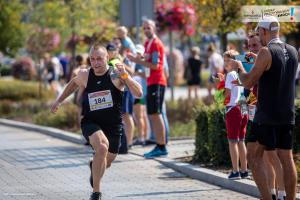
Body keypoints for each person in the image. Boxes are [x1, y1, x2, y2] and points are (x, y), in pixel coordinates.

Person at [51, 44, 142, 200]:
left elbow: (139, 93)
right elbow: (73, 84)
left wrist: (126, 76)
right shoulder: (85, 75)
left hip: (113, 126)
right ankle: (96, 192)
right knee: (101, 147)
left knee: (107, 162)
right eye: (92, 59)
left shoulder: (116, 75)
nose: (96, 62)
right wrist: (59, 100)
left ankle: (94, 167)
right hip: (91, 122)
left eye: (99, 59)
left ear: (107, 58)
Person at [231, 16, 298, 200]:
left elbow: (248, 82)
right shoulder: (292, 51)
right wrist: (258, 61)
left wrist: (239, 68)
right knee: (286, 157)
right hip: (287, 113)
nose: (259, 36)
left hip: (266, 115)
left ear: (264, 31)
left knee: (253, 156)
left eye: (259, 32)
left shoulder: (266, 51)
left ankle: (267, 198)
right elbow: (276, 70)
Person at [246, 31, 286, 200]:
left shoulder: (266, 58)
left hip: (267, 113)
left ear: (262, 44)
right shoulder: (252, 60)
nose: (252, 49)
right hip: (255, 110)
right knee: (261, 155)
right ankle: (271, 191)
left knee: (271, 154)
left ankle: (281, 192)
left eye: (255, 45)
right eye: (249, 46)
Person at [128, 19, 168, 158]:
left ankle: (162, 147)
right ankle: (159, 145)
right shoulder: (147, 43)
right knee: (152, 114)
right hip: (150, 82)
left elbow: (156, 66)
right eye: (144, 28)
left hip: (158, 82)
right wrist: (137, 60)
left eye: (148, 27)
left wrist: (137, 61)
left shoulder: (156, 43)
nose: (146, 30)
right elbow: (146, 62)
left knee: (156, 114)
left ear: (154, 28)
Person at [222, 50, 249, 180]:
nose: (225, 63)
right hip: (243, 105)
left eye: (227, 60)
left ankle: (235, 171)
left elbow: (227, 94)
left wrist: (218, 89)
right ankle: (244, 170)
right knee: (241, 140)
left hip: (233, 108)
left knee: (233, 141)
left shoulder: (230, 74)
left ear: (234, 61)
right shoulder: (241, 73)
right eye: (224, 60)